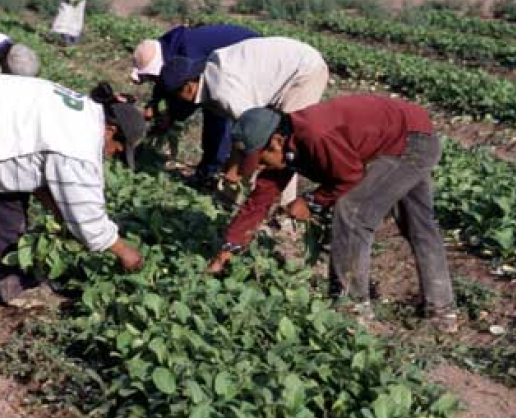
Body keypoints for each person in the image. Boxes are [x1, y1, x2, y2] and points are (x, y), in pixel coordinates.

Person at [0, 74, 147, 345]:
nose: (111, 155)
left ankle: (15, 283)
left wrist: (60, 213)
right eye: (117, 150)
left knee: (3, 201)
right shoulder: (80, 144)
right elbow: (89, 222)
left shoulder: (84, 112)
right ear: (111, 131)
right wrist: (127, 254)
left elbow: (36, 176)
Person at [207, 95, 458, 333]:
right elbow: (258, 203)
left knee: (353, 211)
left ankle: (352, 311)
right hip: (408, 133)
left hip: (409, 142)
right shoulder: (286, 141)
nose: (260, 167)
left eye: (261, 160)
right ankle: (442, 312)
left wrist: (312, 200)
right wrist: (229, 247)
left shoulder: (315, 135)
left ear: (275, 142)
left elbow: (349, 177)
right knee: (419, 225)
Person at [158, 36, 328, 205]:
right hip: (285, 69)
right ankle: (252, 200)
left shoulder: (224, 91)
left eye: (175, 96)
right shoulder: (210, 77)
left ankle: (281, 208)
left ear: (188, 86)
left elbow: (254, 132)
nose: (177, 101)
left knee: (285, 144)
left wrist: (235, 170)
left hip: (303, 71)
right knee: (265, 148)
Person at [130, 24, 260, 187]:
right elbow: (167, 78)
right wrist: (154, 103)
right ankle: (213, 168)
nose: (151, 80)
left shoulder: (189, 52)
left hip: (249, 58)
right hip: (231, 57)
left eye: (150, 76)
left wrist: (172, 115)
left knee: (216, 111)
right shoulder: (165, 47)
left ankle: (213, 171)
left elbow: (191, 96)